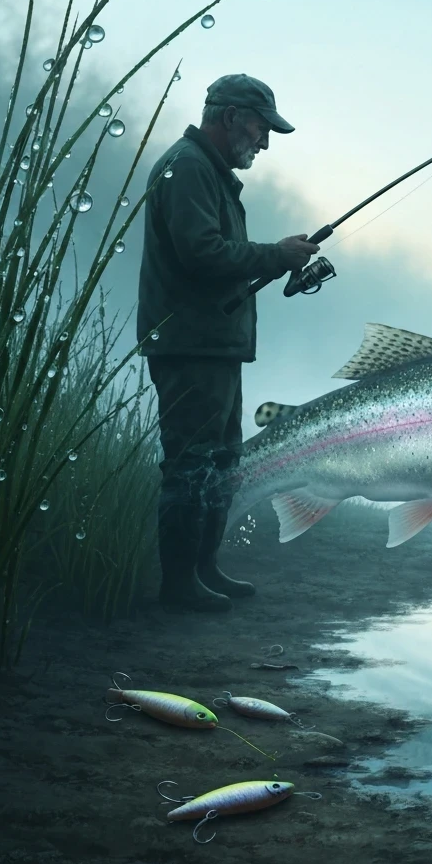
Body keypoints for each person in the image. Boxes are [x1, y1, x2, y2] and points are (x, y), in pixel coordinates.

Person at [137, 74, 319, 613]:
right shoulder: (189, 168)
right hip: (191, 349)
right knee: (192, 465)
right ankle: (179, 585)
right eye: (262, 129)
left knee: (221, 464)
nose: (264, 143)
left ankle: (203, 568)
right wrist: (274, 255)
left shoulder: (206, 172)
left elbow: (214, 259)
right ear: (232, 117)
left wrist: (272, 261)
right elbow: (203, 255)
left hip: (213, 347)